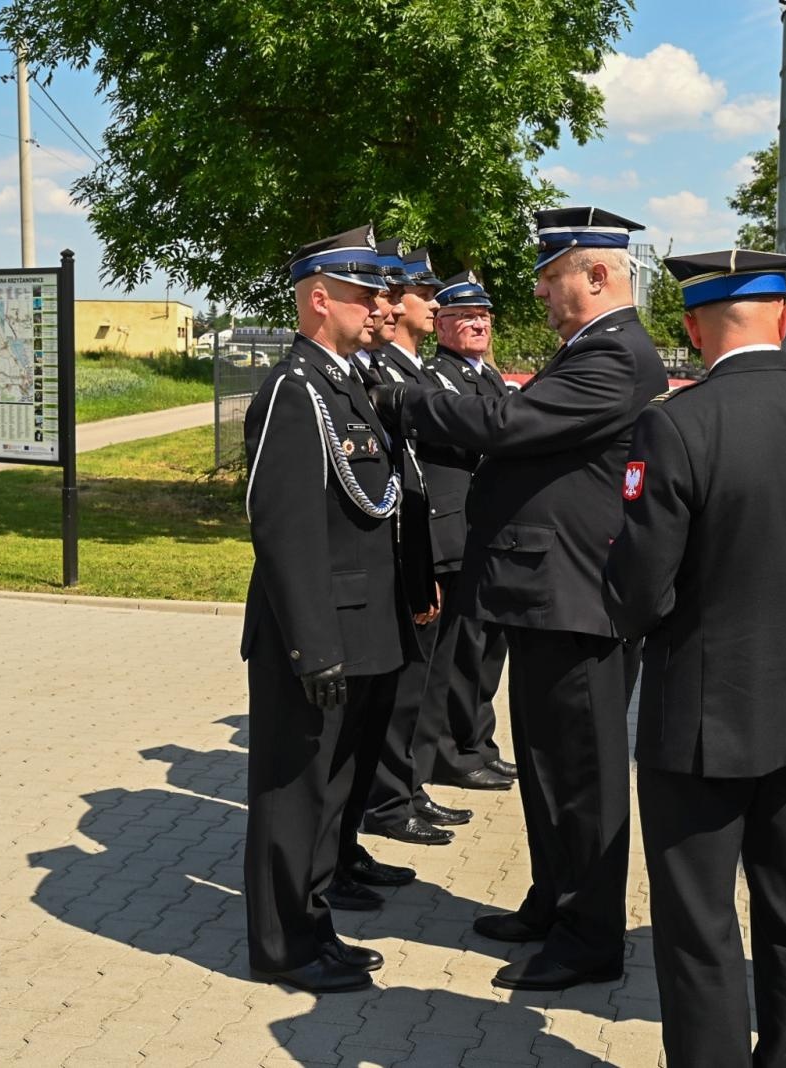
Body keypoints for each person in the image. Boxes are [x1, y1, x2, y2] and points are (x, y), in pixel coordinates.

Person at [603, 249, 786, 1067]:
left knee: (697, 924)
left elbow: (637, 596)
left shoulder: (676, 422)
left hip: (694, 714)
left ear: (693, 329)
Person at [370, 206, 666, 991]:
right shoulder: (591, 350)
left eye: (549, 278)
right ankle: (552, 901)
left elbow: (509, 421)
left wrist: (402, 401)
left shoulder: (614, 356)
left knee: (583, 777)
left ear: (596, 275)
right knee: (544, 763)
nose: (538, 294)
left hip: (576, 597)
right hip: (548, 594)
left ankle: (589, 938)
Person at [239, 224, 416, 994]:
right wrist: (315, 646)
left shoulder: (341, 381)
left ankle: (316, 926)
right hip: (313, 634)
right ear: (320, 299)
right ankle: (284, 944)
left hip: (358, 625)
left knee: (331, 793)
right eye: (361, 292)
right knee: (294, 794)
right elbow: (283, 527)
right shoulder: (293, 388)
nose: (379, 303)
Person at [323, 239, 451, 911]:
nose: (382, 305)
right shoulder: (330, 382)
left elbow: (403, 484)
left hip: (392, 570)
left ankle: (346, 850)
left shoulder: (359, 373)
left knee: (371, 729)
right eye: (371, 293)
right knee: (348, 740)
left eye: (385, 292)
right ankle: (331, 862)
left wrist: (415, 571)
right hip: (353, 593)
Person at [354, 244, 482, 850]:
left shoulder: (404, 373)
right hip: (411, 549)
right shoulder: (386, 375)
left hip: (426, 545)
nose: (432, 304)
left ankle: (406, 786)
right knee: (407, 684)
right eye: (423, 294)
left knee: (423, 682)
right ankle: (390, 796)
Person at [414, 271, 519, 794]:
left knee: (488, 650)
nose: (478, 325)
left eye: (483, 317)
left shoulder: (489, 376)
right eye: (464, 317)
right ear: (441, 326)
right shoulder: (436, 378)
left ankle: (479, 742)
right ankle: (451, 753)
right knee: (459, 654)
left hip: (492, 532)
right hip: (458, 534)